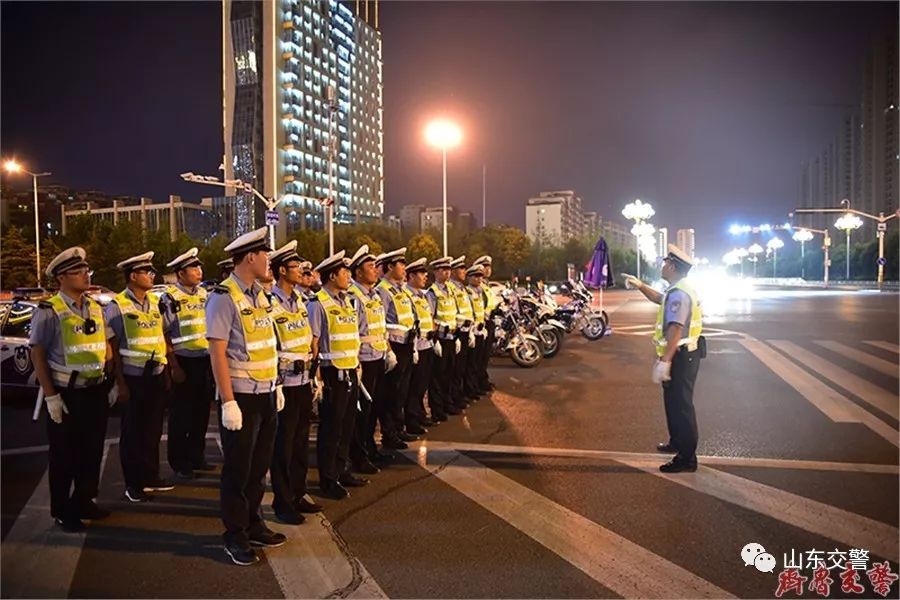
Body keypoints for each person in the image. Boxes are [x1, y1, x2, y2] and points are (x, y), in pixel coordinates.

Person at [206, 227, 285, 566]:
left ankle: (253, 522)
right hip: (241, 397)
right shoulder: (224, 297)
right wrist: (228, 402)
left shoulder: (261, 296)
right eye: (265, 254)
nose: (269, 260)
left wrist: (276, 385)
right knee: (238, 471)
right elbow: (217, 353)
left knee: (258, 467)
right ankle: (235, 534)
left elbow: (268, 346)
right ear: (250, 257)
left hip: (266, 393)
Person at [29, 247, 115, 532]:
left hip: (95, 390)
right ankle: (63, 510)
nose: (85, 275)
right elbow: (38, 355)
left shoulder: (95, 307)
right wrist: (51, 396)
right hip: (67, 393)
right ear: (61, 278)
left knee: (92, 451)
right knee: (65, 455)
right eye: (78, 272)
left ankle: (84, 500)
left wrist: (110, 378)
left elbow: (105, 345)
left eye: (86, 270)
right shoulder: (49, 310)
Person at [625, 245, 705, 473]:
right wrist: (641, 286)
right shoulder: (675, 290)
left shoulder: (679, 293)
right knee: (672, 402)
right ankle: (677, 441)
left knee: (681, 405)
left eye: (665, 263)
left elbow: (676, 329)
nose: (663, 266)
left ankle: (687, 458)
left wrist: (666, 361)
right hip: (681, 355)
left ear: (672, 266)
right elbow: (660, 299)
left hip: (682, 356)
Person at [106, 251, 173, 504]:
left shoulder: (155, 303)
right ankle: (133, 484)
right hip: (133, 378)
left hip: (156, 375)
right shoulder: (117, 305)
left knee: (152, 430)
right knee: (133, 433)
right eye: (147, 272)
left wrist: (166, 370)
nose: (152, 275)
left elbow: (161, 336)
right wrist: (120, 383)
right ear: (133, 276)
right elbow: (113, 347)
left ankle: (150, 476)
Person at [266, 240, 323, 525]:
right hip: (284, 383)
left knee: (301, 442)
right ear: (281, 270)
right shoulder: (270, 303)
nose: (301, 271)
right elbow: (268, 345)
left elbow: (308, 339)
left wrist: (315, 375)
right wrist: (276, 382)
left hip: (303, 379)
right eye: (295, 267)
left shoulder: (300, 301)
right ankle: (283, 500)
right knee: (284, 445)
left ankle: (299, 493)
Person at [307, 250, 364, 500]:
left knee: (347, 426)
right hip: (332, 374)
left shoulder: (347, 301)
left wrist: (357, 365)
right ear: (332, 276)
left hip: (350, 370)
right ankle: (328, 479)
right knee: (331, 428)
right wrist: (317, 378)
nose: (349, 277)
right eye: (345, 272)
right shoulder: (317, 303)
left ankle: (342, 470)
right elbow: (314, 343)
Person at [162, 247, 214, 481]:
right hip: (183, 361)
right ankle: (179, 462)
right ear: (180, 274)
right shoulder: (170, 297)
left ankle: (196, 456)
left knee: (201, 413)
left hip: (204, 359)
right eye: (193, 268)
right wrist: (174, 365)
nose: (199, 271)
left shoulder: (204, 294)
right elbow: (163, 333)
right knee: (181, 415)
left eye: (199, 266)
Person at [348, 244, 392, 472]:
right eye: (370, 266)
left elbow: (381, 327)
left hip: (378, 356)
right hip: (363, 360)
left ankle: (370, 449)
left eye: (375, 266)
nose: (375, 270)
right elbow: (350, 333)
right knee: (361, 412)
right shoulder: (353, 297)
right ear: (358, 272)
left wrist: (388, 351)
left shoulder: (374, 295)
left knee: (374, 408)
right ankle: (359, 456)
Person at [374, 248, 419, 447]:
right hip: (394, 347)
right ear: (390, 267)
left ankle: (399, 429)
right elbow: (380, 323)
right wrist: (388, 350)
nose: (404, 268)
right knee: (391, 392)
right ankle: (389, 433)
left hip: (406, 344)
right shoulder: (383, 291)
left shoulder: (401, 290)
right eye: (401, 264)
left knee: (402, 391)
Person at [405, 257, 438, 430]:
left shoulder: (423, 296)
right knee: (414, 386)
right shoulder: (407, 295)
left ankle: (419, 414)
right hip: (416, 345)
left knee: (422, 384)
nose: (425, 276)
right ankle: (411, 419)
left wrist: (434, 339)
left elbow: (430, 317)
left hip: (427, 343)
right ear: (411, 276)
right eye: (421, 273)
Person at [426, 256, 461, 420]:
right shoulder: (432, 293)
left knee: (449, 373)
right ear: (436, 272)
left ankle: (448, 403)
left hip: (451, 336)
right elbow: (431, 317)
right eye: (443, 270)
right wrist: (434, 340)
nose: (447, 272)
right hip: (440, 338)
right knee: (438, 377)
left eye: (448, 269)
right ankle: (437, 409)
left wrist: (456, 336)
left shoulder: (451, 291)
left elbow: (453, 314)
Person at [448, 256, 474, 410]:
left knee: (462, 367)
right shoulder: (451, 288)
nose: (464, 272)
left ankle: (459, 396)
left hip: (466, 330)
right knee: (454, 370)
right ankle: (453, 398)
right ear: (453, 271)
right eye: (461, 269)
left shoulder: (462, 288)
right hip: (455, 332)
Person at [472, 255, 498, 393]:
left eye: (489, 267)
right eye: (484, 267)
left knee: (485, 355)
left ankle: (483, 380)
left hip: (490, 321)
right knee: (479, 356)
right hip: (482, 323)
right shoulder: (478, 287)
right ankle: (478, 382)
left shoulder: (486, 285)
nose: (488, 270)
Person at [465, 264, 488, 401]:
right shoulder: (467, 292)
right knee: (471, 363)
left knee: (478, 361)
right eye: (476, 276)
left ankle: (475, 387)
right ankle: (470, 389)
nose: (479, 279)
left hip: (480, 330)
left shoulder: (479, 292)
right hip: (471, 331)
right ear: (469, 277)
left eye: (480, 276)